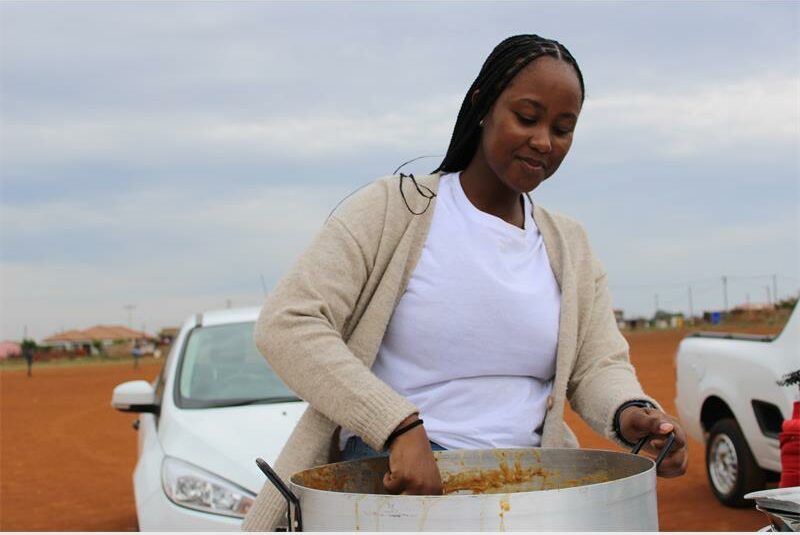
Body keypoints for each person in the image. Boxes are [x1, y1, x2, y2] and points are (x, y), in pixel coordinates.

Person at [242, 34, 688, 531]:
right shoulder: (396, 209)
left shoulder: (570, 244)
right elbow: (287, 323)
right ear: (481, 105)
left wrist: (631, 413)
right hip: (398, 482)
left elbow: (596, 365)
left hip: (532, 491)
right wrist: (398, 426)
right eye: (527, 117)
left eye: (563, 128)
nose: (544, 141)